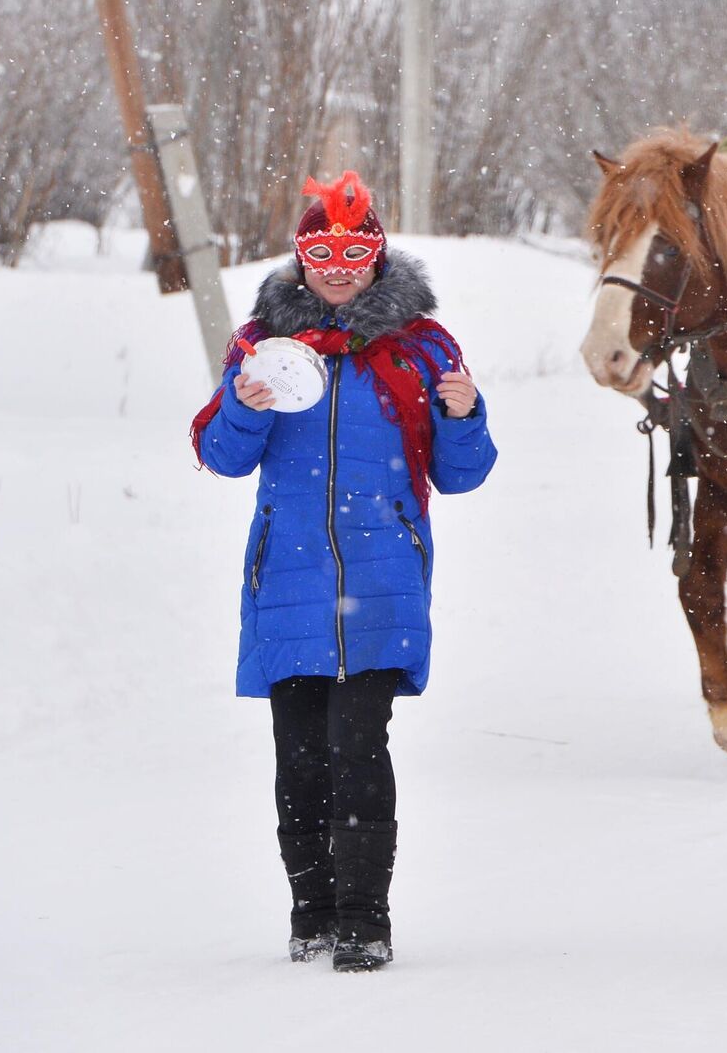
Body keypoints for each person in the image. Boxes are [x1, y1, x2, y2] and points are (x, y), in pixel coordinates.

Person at [189, 173, 499, 971]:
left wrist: (464, 415)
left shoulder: (424, 347)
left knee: (358, 746)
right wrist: (245, 406)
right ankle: (312, 912)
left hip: (383, 577)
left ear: (377, 257)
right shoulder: (265, 345)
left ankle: (365, 920)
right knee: (298, 756)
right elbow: (222, 458)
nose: (337, 267)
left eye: (354, 252)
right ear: (300, 258)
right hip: (286, 581)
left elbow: (462, 475)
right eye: (321, 251)